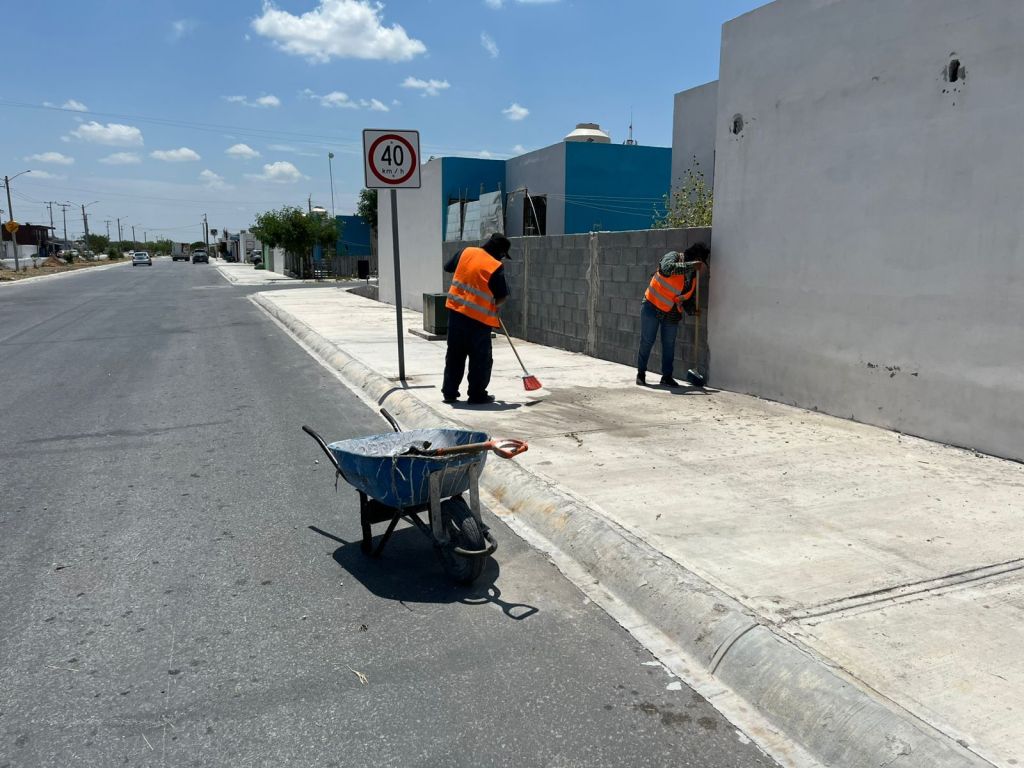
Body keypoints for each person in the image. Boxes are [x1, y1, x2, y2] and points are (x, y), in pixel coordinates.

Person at [442, 233, 512, 404]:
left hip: (456, 314)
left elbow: (448, 267)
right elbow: (502, 296)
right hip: (478, 321)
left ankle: (449, 393)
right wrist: (495, 307)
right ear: (500, 252)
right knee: (480, 358)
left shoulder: (466, 252)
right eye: (503, 255)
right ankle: (477, 395)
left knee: (455, 354)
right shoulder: (495, 265)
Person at [636, 242, 709, 387]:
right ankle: (641, 374)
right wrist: (690, 266)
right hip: (652, 306)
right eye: (700, 262)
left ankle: (667, 377)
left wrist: (692, 310)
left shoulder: (693, 277)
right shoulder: (673, 256)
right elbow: (666, 269)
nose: (701, 266)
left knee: (669, 345)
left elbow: (685, 297)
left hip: (671, 313)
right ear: (695, 258)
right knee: (647, 341)